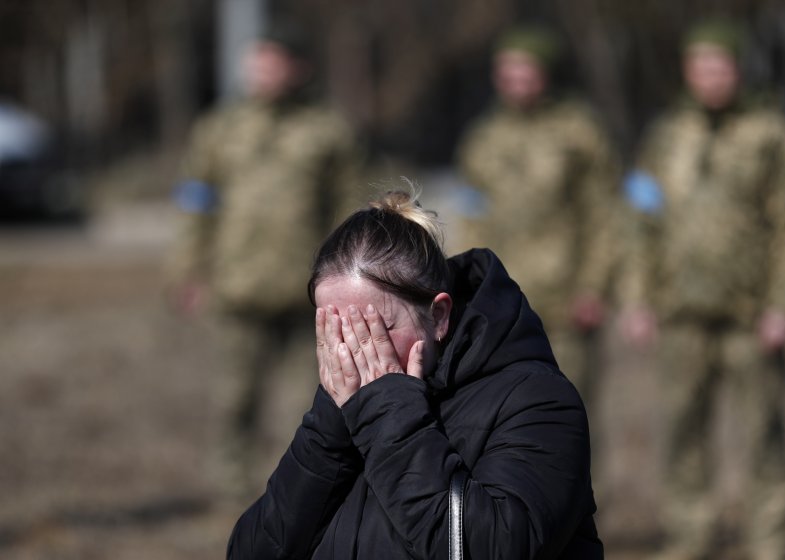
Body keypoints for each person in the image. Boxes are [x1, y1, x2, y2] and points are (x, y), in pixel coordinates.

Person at [226, 189, 603, 559]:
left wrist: (390, 415)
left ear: (438, 316)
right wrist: (328, 432)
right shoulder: (341, 412)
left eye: (376, 329)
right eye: (337, 333)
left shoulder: (537, 401)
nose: (355, 351)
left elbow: (489, 546)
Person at [619, 18, 785, 560]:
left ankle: (769, 543)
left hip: (752, 314)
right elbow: (641, 222)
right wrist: (637, 298)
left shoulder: (770, 134)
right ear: (687, 70)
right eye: (700, 64)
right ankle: (689, 538)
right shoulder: (665, 136)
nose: (710, 76)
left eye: (720, 64)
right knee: (683, 434)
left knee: (763, 437)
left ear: (737, 69)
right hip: (682, 312)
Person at [167, 22, 362, 497]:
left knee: (313, 402)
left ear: (298, 69)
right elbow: (197, 204)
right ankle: (231, 490)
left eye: (273, 62)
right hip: (238, 287)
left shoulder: (326, 131)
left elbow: (350, 211)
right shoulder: (220, 129)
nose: (262, 72)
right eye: (257, 61)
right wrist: (188, 270)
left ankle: (305, 491)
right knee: (234, 397)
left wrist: (355, 280)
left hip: (308, 293)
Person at [456, 25, 620, 414]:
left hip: (565, 301)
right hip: (499, 302)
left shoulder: (579, 133)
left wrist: (594, 287)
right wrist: (465, 288)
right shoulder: (483, 139)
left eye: (526, 69)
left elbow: (604, 215)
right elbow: (471, 217)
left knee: (566, 409)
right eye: (507, 70)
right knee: (499, 411)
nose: (516, 80)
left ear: (546, 73)